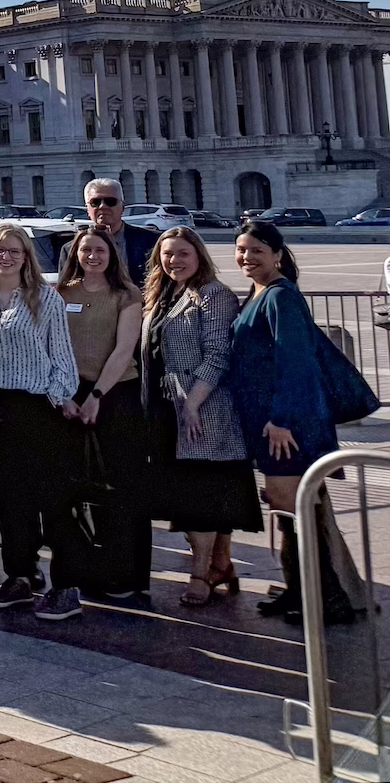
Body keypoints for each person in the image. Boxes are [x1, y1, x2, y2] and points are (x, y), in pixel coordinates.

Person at [229, 219, 355, 626]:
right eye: (241, 249)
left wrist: (281, 419)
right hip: (271, 423)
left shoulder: (280, 296)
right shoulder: (261, 292)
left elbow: (294, 362)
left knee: (295, 509)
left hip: (286, 426)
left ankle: (326, 600)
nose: (246, 257)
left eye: (256, 250)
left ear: (278, 254)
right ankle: (299, 590)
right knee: (287, 511)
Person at [141, 227, 260, 609]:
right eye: (167, 254)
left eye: (182, 254)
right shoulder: (163, 294)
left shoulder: (213, 295)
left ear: (199, 256)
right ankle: (222, 564)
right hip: (167, 405)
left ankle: (200, 573)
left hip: (202, 406)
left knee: (200, 493)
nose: (174, 261)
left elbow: (217, 355)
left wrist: (193, 403)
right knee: (200, 489)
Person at [0, 223, 84, 620]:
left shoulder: (45, 298)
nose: (6, 256)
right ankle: (20, 576)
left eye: (15, 251)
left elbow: (63, 358)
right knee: (10, 500)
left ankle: (67, 586)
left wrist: (57, 399)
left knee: (52, 498)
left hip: (38, 407)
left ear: (26, 257)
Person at [55, 225, 150, 601]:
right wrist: (65, 395)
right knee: (77, 487)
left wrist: (96, 395)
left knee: (122, 488)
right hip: (69, 396)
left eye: (100, 250)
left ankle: (125, 572)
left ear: (112, 255)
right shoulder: (60, 293)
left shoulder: (127, 295)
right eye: (85, 250)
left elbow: (124, 349)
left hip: (114, 395)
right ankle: (88, 569)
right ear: (75, 254)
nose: (92, 256)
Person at [64, 179, 160, 285]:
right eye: (95, 202)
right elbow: (66, 289)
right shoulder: (70, 249)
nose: (103, 206)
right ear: (87, 209)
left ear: (123, 207)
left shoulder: (151, 241)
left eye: (110, 201)